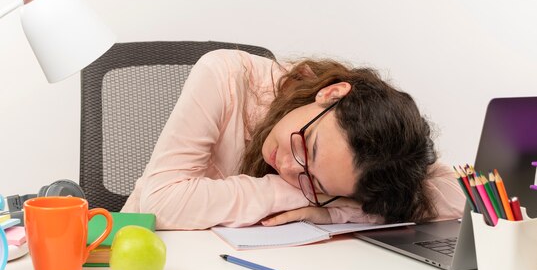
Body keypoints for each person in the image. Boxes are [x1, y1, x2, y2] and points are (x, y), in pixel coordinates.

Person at [121, 49, 464, 229]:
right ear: (331, 93)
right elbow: (161, 203)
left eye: (314, 181)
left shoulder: (359, 171)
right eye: (307, 145)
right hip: (148, 267)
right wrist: (297, 194)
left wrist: (333, 213)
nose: (287, 166)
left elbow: (462, 197)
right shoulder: (225, 75)